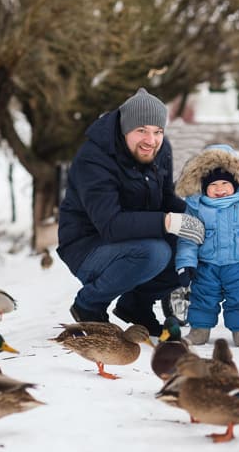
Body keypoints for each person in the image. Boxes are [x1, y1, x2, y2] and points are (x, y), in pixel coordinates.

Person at [57, 87, 205, 335]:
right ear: (125, 129)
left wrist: (200, 218)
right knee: (155, 252)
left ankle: (136, 305)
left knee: (196, 246)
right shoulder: (94, 159)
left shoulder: (160, 150)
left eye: (157, 131)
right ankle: (89, 306)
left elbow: (166, 198)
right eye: (142, 131)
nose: (151, 140)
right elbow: (111, 224)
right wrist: (168, 222)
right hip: (88, 247)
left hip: (135, 240)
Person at [174, 144, 239, 347]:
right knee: (202, 298)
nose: (220, 189)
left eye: (225, 183)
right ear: (204, 186)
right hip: (207, 265)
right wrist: (185, 263)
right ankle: (199, 330)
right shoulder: (196, 207)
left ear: (236, 183)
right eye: (213, 185)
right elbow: (188, 238)